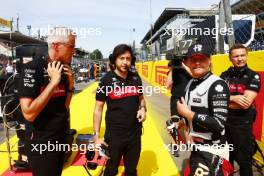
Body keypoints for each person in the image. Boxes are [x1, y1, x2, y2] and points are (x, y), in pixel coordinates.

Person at [18, 27, 76, 176]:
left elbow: (65, 107)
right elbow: (29, 113)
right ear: (56, 46)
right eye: (71, 46)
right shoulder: (32, 68)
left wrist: (70, 86)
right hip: (42, 144)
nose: (74, 51)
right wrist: (53, 83)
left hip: (60, 137)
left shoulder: (63, 69)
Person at [176, 43, 231, 175]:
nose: (197, 63)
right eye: (193, 59)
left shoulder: (217, 85)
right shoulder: (190, 83)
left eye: (202, 59)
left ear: (210, 60)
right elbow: (195, 115)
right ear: (187, 62)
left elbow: (218, 124)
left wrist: (188, 114)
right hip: (196, 147)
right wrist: (181, 123)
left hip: (213, 149)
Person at [93, 44, 146, 176]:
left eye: (128, 58)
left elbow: (141, 99)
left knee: (131, 170)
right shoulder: (105, 80)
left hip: (134, 134)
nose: (125, 62)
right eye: (121, 58)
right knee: (111, 170)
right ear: (115, 60)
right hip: (114, 136)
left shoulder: (136, 78)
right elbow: (98, 109)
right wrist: (96, 136)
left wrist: (143, 109)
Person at [220, 44, 261, 176]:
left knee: (244, 161)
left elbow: (245, 103)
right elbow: (215, 99)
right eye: (236, 56)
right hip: (224, 122)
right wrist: (234, 98)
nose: (240, 59)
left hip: (242, 124)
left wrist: (225, 100)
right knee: (226, 157)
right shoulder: (224, 75)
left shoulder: (253, 76)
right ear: (230, 58)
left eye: (242, 55)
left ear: (247, 56)